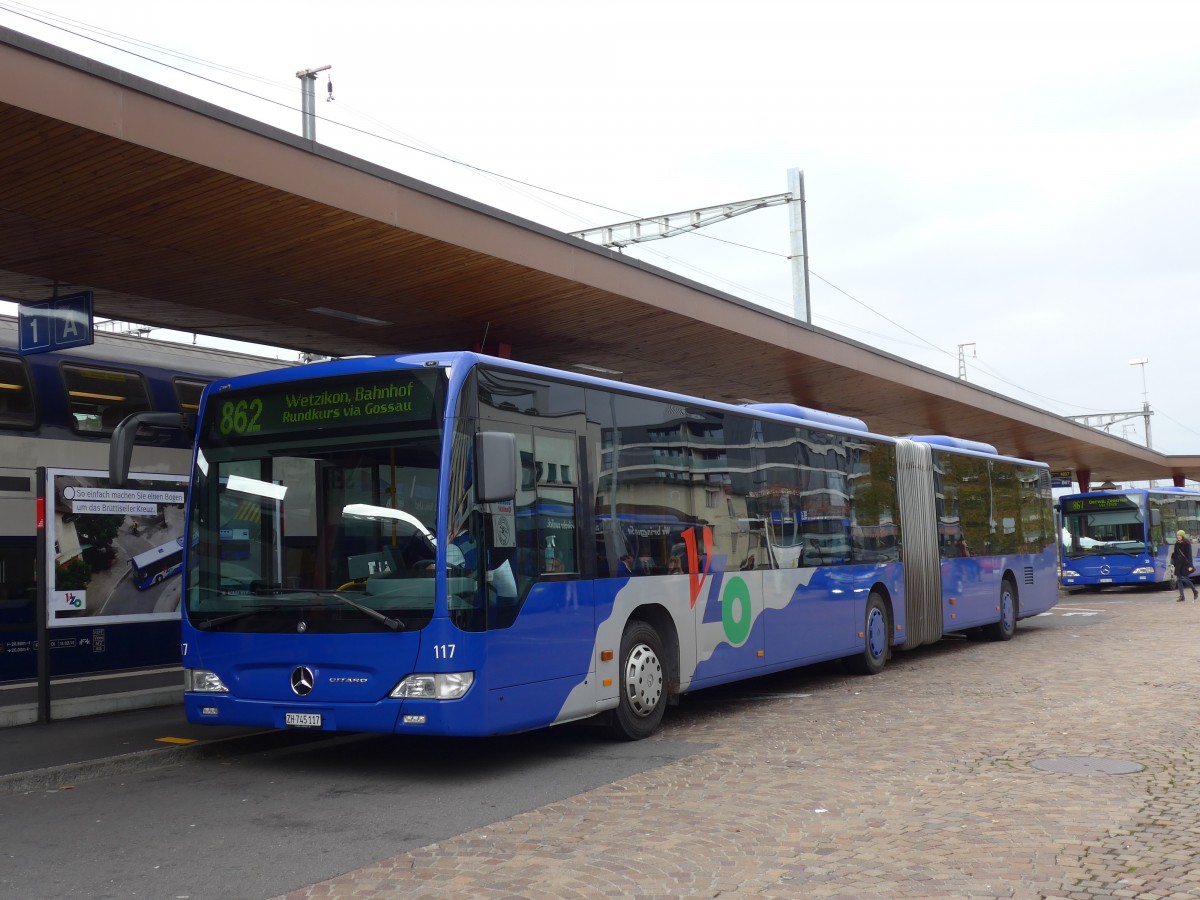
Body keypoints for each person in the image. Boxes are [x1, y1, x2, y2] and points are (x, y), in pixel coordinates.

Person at [1172, 530, 1197, 602]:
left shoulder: (1187, 544)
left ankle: (1195, 591)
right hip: (1178, 564)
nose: (1179, 536)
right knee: (1179, 580)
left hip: (1185, 564)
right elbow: (1175, 554)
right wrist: (1174, 563)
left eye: (1180, 535)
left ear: (1183, 536)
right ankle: (1182, 596)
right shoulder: (1176, 544)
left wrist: (1190, 566)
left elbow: (1189, 556)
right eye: (1178, 535)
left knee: (1186, 579)